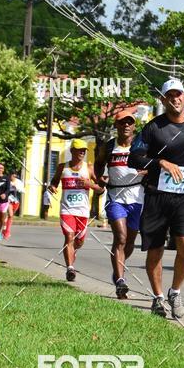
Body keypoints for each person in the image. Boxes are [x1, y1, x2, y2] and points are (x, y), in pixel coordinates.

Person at [128, 78, 184, 319]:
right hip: (157, 196)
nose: (175, 99)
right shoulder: (153, 128)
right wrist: (160, 162)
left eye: (179, 94)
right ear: (163, 100)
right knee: (155, 250)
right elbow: (134, 158)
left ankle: (175, 292)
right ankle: (158, 297)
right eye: (170, 95)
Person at [94, 113, 145, 299]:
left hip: (137, 198)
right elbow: (98, 164)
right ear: (116, 125)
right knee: (121, 238)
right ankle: (121, 281)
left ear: (134, 126)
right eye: (122, 122)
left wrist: (147, 171)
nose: (126, 126)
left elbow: (152, 166)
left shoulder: (141, 146)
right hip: (115, 197)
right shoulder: (109, 147)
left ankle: (118, 271)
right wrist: (99, 178)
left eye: (129, 123)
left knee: (129, 242)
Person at [49, 139, 97, 281]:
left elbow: (101, 188)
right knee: (69, 237)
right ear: (72, 151)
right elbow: (54, 182)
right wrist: (52, 187)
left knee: (79, 241)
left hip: (83, 211)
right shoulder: (62, 167)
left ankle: (72, 251)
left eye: (84, 150)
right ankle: (70, 268)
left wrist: (89, 184)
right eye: (79, 149)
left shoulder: (89, 168)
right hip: (67, 209)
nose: (82, 152)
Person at [2, 171, 23, 240]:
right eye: (12, 176)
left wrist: (16, 187)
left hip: (16, 201)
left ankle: (5, 230)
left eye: (15, 176)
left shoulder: (19, 182)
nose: (13, 177)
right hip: (8, 200)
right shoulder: (6, 181)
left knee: (10, 217)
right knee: (10, 215)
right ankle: (6, 232)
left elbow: (23, 190)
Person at [0, 163, 11, 241]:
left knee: (2, 219)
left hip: (4, 202)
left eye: (0, 168)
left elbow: (8, 189)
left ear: (3, 169)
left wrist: (5, 194)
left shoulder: (6, 178)